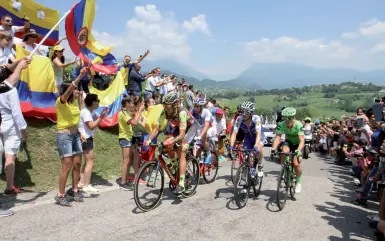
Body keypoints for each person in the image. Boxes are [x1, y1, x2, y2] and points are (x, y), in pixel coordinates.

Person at [146, 92, 199, 194]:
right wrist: (149, 140)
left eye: (167, 106)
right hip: (178, 127)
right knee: (167, 145)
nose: (165, 108)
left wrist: (173, 141)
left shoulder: (182, 112)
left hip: (190, 128)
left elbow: (182, 134)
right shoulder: (164, 112)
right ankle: (176, 166)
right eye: (164, 105)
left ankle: (182, 183)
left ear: (175, 105)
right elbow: (156, 128)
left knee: (182, 150)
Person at [54, 68, 87, 206]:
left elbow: (77, 120)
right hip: (64, 137)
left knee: (77, 164)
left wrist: (80, 132)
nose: (76, 91)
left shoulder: (73, 104)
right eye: (74, 90)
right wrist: (79, 76)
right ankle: (60, 195)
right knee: (66, 166)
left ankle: (74, 190)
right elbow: (68, 91)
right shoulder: (60, 101)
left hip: (75, 136)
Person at [78, 94, 108, 193]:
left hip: (86, 138)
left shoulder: (90, 111)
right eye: (97, 101)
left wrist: (101, 116)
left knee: (87, 161)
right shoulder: (86, 112)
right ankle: (86, 185)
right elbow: (91, 126)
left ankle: (82, 182)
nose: (98, 102)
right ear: (93, 102)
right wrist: (100, 118)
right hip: (86, 138)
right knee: (90, 161)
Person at [271, 107, 305, 193]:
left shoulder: (298, 125)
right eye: (285, 118)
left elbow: (302, 140)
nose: (287, 120)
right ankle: (283, 170)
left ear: (294, 117)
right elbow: (278, 137)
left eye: (289, 118)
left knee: (296, 164)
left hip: (298, 145)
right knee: (283, 151)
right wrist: (273, 148)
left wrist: (299, 150)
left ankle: (298, 182)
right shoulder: (281, 124)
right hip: (288, 142)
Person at [229, 101, 264, 178]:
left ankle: (260, 163)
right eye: (242, 111)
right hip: (248, 137)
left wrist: (255, 145)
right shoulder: (239, 118)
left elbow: (258, 133)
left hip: (258, 136)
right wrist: (231, 146)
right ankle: (248, 176)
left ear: (251, 113)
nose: (243, 114)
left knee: (258, 149)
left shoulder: (256, 118)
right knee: (246, 157)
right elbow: (234, 133)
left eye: (246, 112)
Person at [118, 95, 144, 190]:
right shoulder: (122, 113)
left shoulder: (126, 113)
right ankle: (123, 183)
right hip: (124, 138)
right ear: (127, 103)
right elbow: (135, 123)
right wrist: (140, 111)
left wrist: (137, 111)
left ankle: (125, 180)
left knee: (128, 160)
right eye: (131, 103)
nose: (132, 104)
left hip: (128, 138)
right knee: (126, 161)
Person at [191, 98, 213, 162]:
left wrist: (200, 136)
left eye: (197, 106)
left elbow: (206, 126)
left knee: (203, 138)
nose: (195, 108)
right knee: (195, 143)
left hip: (211, 128)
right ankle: (199, 161)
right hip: (201, 128)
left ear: (201, 106)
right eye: (194, 106)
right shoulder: (192, 111)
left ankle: (209, 154)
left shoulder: (206, 112)